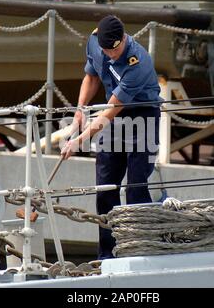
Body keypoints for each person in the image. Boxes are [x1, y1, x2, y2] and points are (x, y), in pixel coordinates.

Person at [61, 15, 161, 259]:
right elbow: (92, 76)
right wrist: (80, 109)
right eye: (107, 51)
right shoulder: (94, 43)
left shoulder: (138, 62)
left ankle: (141, 249)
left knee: (136, 186)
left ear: (124, 39)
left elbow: (110, 111)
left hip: (142, 116)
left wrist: (78, 140)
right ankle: (107, 255)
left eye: (116, 50)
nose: (112, 55)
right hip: (114, 118)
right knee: (105, 187)